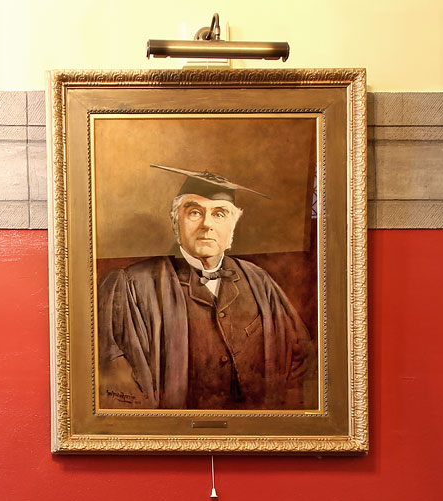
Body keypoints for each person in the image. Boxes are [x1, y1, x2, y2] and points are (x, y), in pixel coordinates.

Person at [97, 166, 315, 410]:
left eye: (219, 214)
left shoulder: (258, 280)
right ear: (175, 220)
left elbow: (299, 355)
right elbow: (115, 377)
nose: (207, 224)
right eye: (194, 213)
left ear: (233, 224)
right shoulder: (132, 286)